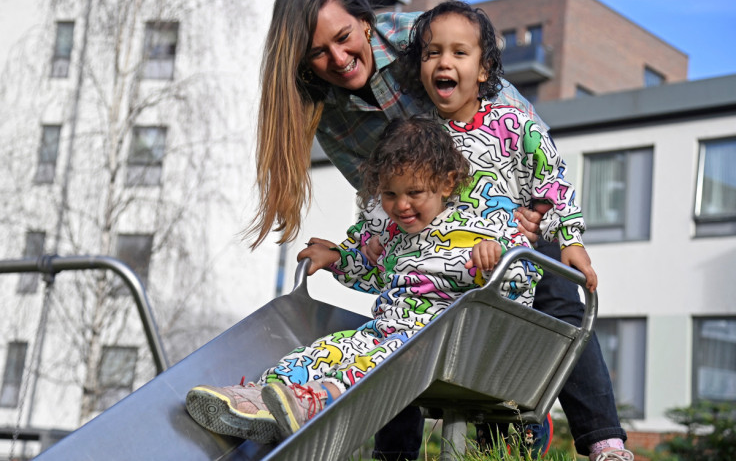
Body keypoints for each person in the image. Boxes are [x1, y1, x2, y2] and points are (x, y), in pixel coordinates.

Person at [247, 0, 630, 461]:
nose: (338, 59)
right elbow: (381, 205)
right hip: (428, 237)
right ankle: (400, 452)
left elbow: (524, 141)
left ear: (365, 23)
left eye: (343, 38)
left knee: (552, 291)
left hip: (501, 210)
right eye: (319, 53)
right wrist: (349, 254)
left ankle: (600, 439)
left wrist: (541, 217)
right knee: (396, 323)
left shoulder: (426, 40)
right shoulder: (331, 114)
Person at [186, 116, 542, 443]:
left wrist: (497, 261)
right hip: (385, 331)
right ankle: (260, 401)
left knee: (375, 362)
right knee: (323, 351)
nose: (401, 205)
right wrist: (337, 260)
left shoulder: (482, 227)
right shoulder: (394, 236)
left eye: (414, 193)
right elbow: (372, 276)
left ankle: (318, 404)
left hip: (440, 344)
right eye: (390, 194)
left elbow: (526, 273)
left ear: (446, 183)